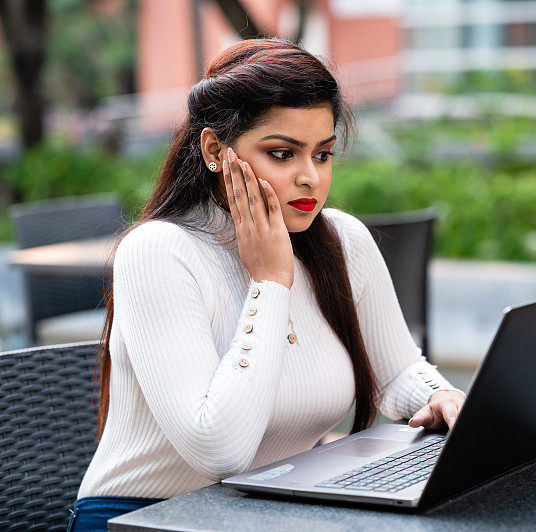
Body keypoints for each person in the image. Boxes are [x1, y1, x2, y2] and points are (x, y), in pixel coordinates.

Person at [67, 38, 465, 531]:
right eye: (282, 154)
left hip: (270, 511)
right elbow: (220, 452)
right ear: (215, 149)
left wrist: (440, 397)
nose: (310, 179)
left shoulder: (343, 241)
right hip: (146, 518)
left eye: (323, 155)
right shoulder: (159, 253)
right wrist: (271, 281)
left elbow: (396, 371)